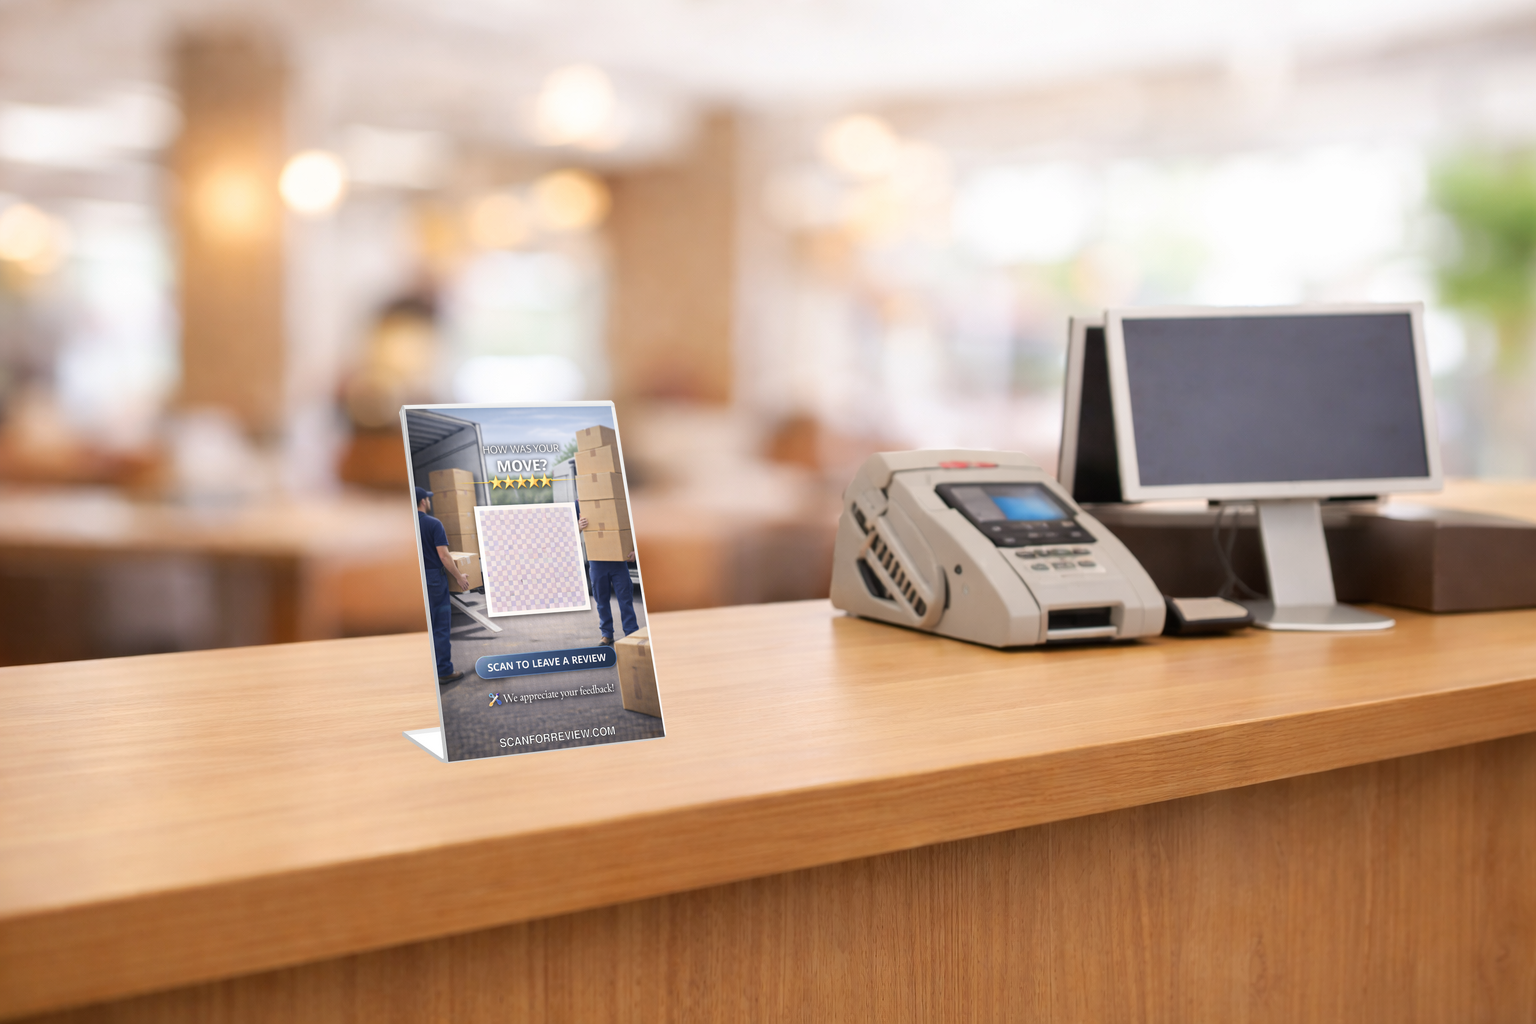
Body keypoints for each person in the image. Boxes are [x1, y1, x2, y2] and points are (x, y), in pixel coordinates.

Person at [417, 486, 470, 683]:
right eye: (428, 499)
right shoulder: (433, 523)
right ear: (424, 501)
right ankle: (444, 671)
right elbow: (444, 556)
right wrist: (459, 577)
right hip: (433, 580)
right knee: (439, 626)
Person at [579, 514, 638, 647]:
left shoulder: (618, 502)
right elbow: (567, 533)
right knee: (601, 601)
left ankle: (631, 632)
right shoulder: (581, 505)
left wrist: (635, 548)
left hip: (618, 560)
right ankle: (607, 634)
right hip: (597, 561)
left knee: (625, 599)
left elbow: (631, 523)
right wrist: (578, 527)